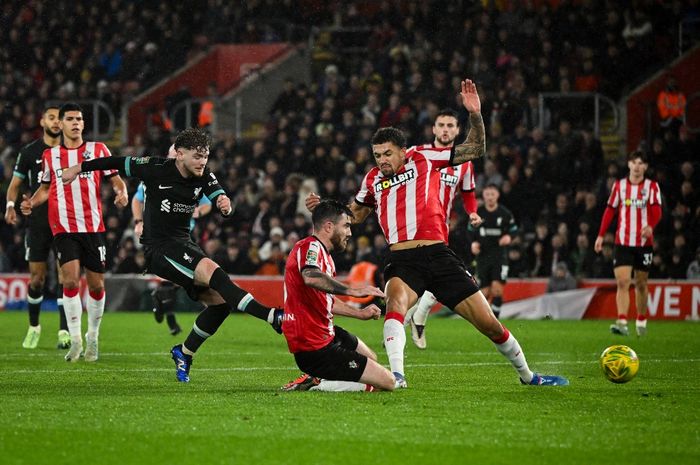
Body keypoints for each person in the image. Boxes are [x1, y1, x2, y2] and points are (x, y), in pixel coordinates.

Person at [307, 79, 568, 388]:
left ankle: (529, 376)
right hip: (403, 258)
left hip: (439, 254)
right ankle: (397, 376)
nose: (382, 160)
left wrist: (475, 115)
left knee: (489, 324)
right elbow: (358, 213)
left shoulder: (425, 158)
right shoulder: (373, 179)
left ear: (403, 151)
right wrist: (327, 208)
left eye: (387, 154)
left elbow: (476, 148)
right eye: (377, 155)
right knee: (395, 305)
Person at [60, 128, 283, 382]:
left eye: (206, 156)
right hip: (160, 249)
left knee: (221, 304)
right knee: (214, 272)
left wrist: (225, 203)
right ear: (179, 154)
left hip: (184, 244)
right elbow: (115, 162)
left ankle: (184, 352)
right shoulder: (155, 168)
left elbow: (219, 196)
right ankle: (272, 316)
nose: (203, 162)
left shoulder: (204, 174)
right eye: (197, 156)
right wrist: (79, 168)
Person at [20, 102, 129, 362]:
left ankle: (93, 337)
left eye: (79, 119)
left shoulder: (97, 149)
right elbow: (45, 188)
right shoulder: (51, 156)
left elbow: (115, 177)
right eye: (70, 119)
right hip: (64, 228)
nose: (76, 123)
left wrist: (121, 191)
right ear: (62, 124)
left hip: (92, 227)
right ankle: (75, 339)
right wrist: (31, 203)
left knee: (96, 285)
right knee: (69, 281)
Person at [281, 199, 395, 392]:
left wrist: (361, 314)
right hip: (313, 346)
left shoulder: (325, 256)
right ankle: (317, 384)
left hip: (327, 334)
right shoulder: (310, 247)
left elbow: (327, 301)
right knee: (387, 383)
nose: (349, 233)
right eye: (346, 226)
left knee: (371, 358)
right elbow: (311, 277)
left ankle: (316, 378)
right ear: (328, 226)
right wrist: (353, 291)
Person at [405, 108, 483, 350]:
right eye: (442, 125)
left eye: (451, 125)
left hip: (440, 229)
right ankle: (411, 315)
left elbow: (468, 193)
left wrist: (472, 212)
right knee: (420, 274)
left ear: (458, 130)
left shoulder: (463, 163)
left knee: (441, 273)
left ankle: (413, 314)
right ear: (434, 129)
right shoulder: (418, 154)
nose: (446, 129)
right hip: (412, 226)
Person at [4, 105, 71, 349]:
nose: (55, 122)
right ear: (42, 121)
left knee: (66, 276)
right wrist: (11, 205)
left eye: (59, 118)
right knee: (36, 279)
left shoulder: (70, 151)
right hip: (38, 224)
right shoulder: (30, 151)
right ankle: (34, 327)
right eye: (51, 117)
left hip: (64, 222)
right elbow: (15, 184)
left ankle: (64, 331)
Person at [131, 145, 212, 336]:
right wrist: (138, 221)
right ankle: (170, 317)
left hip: (184, 235)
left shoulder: (194, 178)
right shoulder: (156, 174)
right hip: (161, 236)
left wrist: (199, 211)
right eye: (174, 154)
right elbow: (137, 199)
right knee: (177, 277)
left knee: (180, 279)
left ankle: (162, 302)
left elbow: (207, 203)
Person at [594, 150, 662, 337]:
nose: (638, 166)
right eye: (635, 162)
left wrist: (651, 226)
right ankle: (622, 321)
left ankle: (641, 319)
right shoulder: (620, 186)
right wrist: (600, 235)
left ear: (645, 167)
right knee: (623, 282)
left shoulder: (652, 187)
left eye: (641, 163)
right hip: (622, 241)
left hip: (643, 243)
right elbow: (610, 211)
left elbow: (657, 211)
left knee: (641, 283)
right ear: (629, 165)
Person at [468, 184, 517, 318]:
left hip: (499, 256)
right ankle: (485, 319)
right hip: (482, 257)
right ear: (483, 195)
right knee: (484, 292)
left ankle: (495, 319)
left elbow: (514, 230)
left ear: (497, 195)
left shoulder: (505, 214)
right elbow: (470, 231)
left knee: (497, 289)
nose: (490, 197)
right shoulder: (479, 213)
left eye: (492, 194)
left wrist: (509, 237)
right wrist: (473, 243)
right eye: (487, 194)